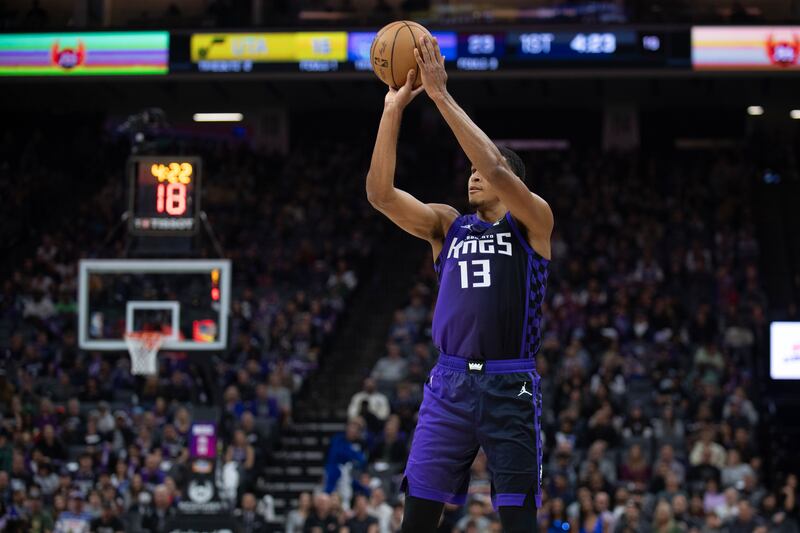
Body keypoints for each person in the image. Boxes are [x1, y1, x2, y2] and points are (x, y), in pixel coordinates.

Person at [366, 34, 553, 533]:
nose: (474, 176)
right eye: (468, 170)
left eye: (483, 173)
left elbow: (493, 162)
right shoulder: (449, 225)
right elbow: (381, 195)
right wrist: (392, 110)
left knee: (518, 520)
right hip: (448, 383)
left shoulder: (532, 221)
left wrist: (440, 93)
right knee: (418, 521)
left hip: (508, 382)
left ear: (514, 186)